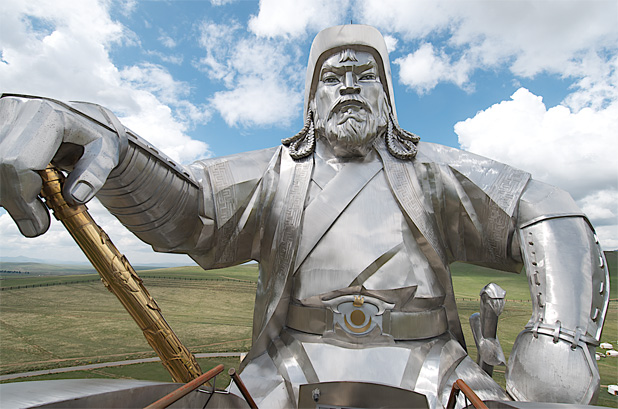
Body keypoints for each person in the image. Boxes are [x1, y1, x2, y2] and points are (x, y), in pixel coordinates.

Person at [0, 25, 609, 408]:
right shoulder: (274, 174)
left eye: (363, 76)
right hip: (284, 370)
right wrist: (101, 137)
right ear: (312, 98)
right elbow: (189, 215)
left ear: (386, 94)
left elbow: (546, 206)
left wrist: (561, 333)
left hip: (435, 366)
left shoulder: (433, 171)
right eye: (333, 77)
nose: (348, 87)